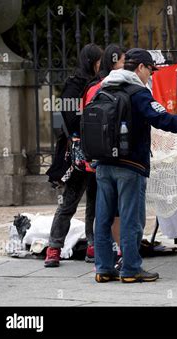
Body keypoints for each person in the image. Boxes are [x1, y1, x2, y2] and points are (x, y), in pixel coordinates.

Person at [94, 48, 177, 283]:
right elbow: (163, 119)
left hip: (103, 162)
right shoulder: (138, 92)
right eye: (150, 70)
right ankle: (130, 270)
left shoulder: (104, 87)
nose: (151, 75)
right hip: (130, 164)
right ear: (140, 68)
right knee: (131, 218)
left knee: (104, 217)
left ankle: (104, 268)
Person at [44, 43, 103, 268]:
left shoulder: (100, 83)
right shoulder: (74, 85)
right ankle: (54, 248)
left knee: (96, 203)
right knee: (69, 202)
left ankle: (93, 245)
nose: (100, 65)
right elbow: (67, 119)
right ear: (91, 62)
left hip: (98, 151)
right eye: (98, 61)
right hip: (78, 156)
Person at [81, 44, 127, 261]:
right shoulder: (116, 88)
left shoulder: (94, 88)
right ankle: (119, 252)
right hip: (116, 158)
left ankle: (102, 259)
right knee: (115, 209)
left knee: (103, 210)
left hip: (98, 157)